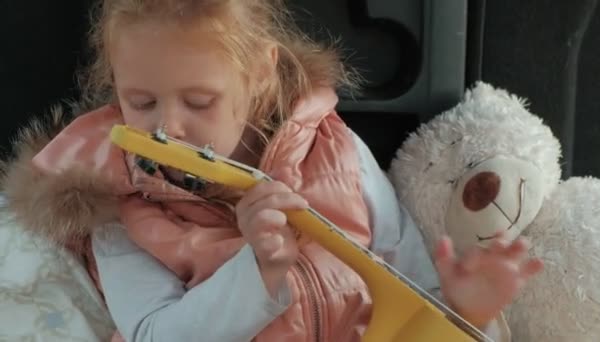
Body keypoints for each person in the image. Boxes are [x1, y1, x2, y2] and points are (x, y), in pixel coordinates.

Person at [4, 0, 542, 341]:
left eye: (198, 100)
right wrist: (256, 272)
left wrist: (465, 311)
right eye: (140, 102)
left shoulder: (333, 150)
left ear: (260, 74)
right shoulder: (117, 203)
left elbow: (408, 286)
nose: (167, 127)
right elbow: (153, 333)